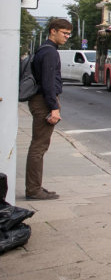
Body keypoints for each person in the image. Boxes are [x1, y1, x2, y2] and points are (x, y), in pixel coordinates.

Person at [25, 18, 72, 200]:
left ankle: (35, 187)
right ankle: (34, 189)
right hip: (43, 102)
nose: (67, 37)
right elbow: (48, 83)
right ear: (53, 31)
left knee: (38, 145)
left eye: (69, 34)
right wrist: (54, 107)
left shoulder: (43, 49)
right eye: (64, 33)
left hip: (39, 100)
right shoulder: (50, 52)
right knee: (39, 146)